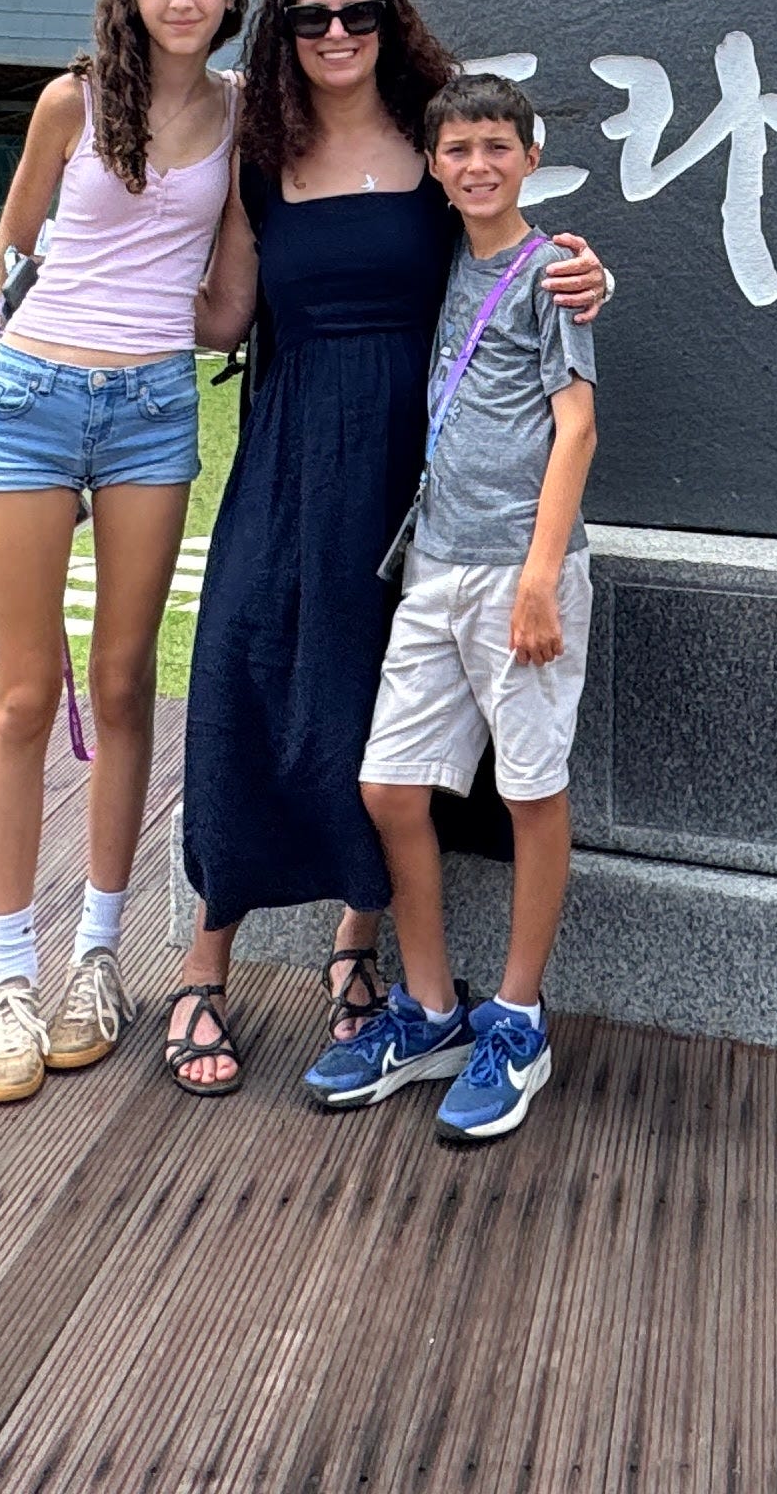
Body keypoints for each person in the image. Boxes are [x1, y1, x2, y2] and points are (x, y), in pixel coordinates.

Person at [157, 0, 610, 1097]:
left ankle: (364, 960)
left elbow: (510, 258)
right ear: (282, 38)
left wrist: (583, 272)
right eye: (310, 20)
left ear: (388, 20)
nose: (336, 34)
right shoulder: (259, 158)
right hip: (291, 450)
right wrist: (98, 267)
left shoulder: (432, 148)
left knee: (372, 709)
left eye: (356, 13)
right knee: (244, 669)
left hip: (419, 476)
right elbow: (221, 318)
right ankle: (206, 962)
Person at [0, 0, 252, 1107]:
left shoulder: (244, 119)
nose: (183, 1)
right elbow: (21, 233)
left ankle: (97, 960)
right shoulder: (71, 102)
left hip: (153, 411)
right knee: (26, 692)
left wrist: (155, 325)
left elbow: (229, 303)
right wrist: (59, 319)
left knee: (125, 682)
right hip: (34, 399)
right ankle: (8, 978)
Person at [307, 71, 597, 1144]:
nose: (477, 165)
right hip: (432, 571)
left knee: (531, 793)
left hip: (522, 577)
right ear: (434, 164)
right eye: (458, 149)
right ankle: (431, 1011)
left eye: (496, 147)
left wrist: (539, 572)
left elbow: (577, 428)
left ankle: (517, 1020)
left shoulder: (551, 273)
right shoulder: (444, 267)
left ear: (531, 154)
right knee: (390, 787)